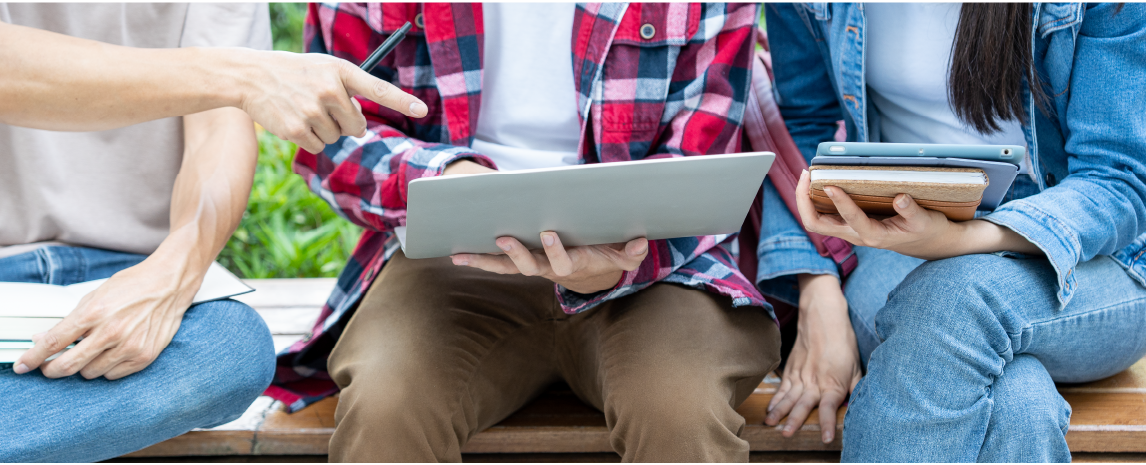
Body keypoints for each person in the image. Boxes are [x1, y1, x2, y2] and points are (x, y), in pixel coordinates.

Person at [0, 2, 429, 461]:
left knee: (231, 347)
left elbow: (217, 137)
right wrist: (244, 72)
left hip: (123, 275)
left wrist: (174, 270)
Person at [271, 2, 779, 462]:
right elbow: (331, 135)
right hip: (450, 261)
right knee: (386, 410)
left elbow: (703, 153)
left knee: (679, 412)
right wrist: (446, 177)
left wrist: (614, 260)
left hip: (653, 269)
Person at [755, 2, 1146, 461]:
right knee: (1019, 405)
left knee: (953, 301)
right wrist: (817, 288)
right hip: (896, 232)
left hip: (1091, 255)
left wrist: (963, 240)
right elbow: (802, 125)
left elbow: (1118, 181)